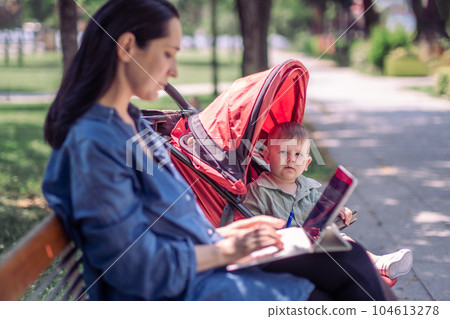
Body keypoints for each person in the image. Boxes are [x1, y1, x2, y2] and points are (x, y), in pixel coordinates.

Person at [42, 0, 395, 301]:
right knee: (343, 271)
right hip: (181, 290)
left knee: (344, 257)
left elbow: (158, 221)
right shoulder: (95, 144)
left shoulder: (129, 125)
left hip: (201, 270)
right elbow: (132, 267)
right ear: (127, 46)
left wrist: (229, 233)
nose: (175, 70)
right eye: (168, 54)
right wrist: (227, 249)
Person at [243, 122, 413, 280]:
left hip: (316, 246)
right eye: (283, 152)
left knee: (340, 239)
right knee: (335, 249)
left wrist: (336, 209)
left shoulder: (308, 189)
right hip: (285, 251)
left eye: (297, 154)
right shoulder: (258, 191)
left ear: (307, 163)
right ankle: (365, 269)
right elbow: (249, 226)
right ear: (266, 155)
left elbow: (323, 211)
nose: (291, 159)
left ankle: (378, 263)